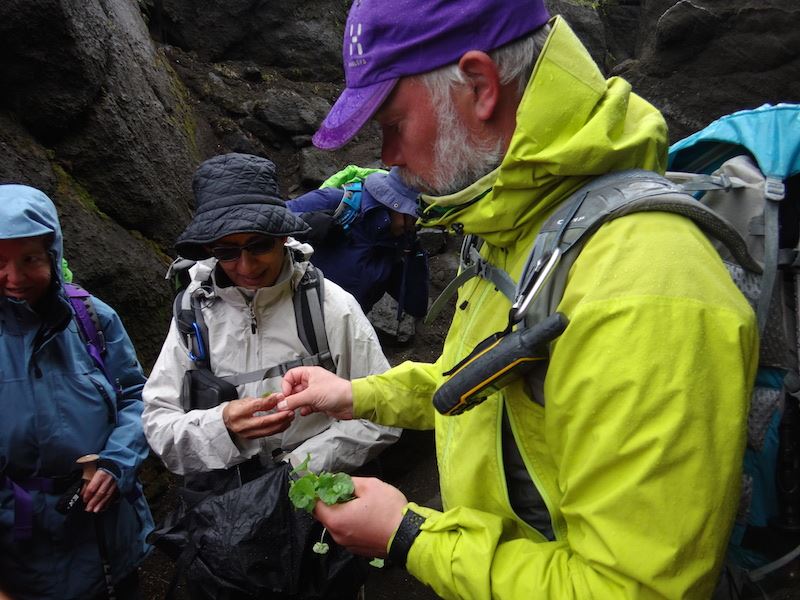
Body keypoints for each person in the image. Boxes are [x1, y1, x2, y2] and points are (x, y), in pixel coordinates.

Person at [276, 1, 759, 598]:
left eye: (392, 123)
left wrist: (409, 538)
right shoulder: (517, 224)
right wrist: (358, 395)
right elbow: (487, 381)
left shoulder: (646, 288)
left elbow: (631, 587)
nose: (387, 157)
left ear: (479, 86)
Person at [142, 152, 400, 479]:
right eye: (227, 252)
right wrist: (222, 425)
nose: (246, 266)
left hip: (321, 497)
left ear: (282, 237)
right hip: (228, 499)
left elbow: (381, 414)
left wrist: (292, 472)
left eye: (259, 245)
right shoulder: (192, 314)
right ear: (210, 251)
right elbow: (158, 424)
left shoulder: (329, 305)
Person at [0, 184, 154, 599]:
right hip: (20, 546)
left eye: (29, 259)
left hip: (105, 531)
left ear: (53, 255)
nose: (14, 278)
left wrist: (115, 464)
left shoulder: (91, 318)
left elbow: (137, 397)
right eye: (0, 261)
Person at [286, 165, 428, 319]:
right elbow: (268, 218)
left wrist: (414, 254)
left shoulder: (398, 247)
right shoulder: (336, 202)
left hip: (339, 335)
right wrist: (306, 222)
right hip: (288, 317)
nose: (416, 222)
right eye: (414, 215)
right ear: (395, 205)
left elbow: (416, 306)